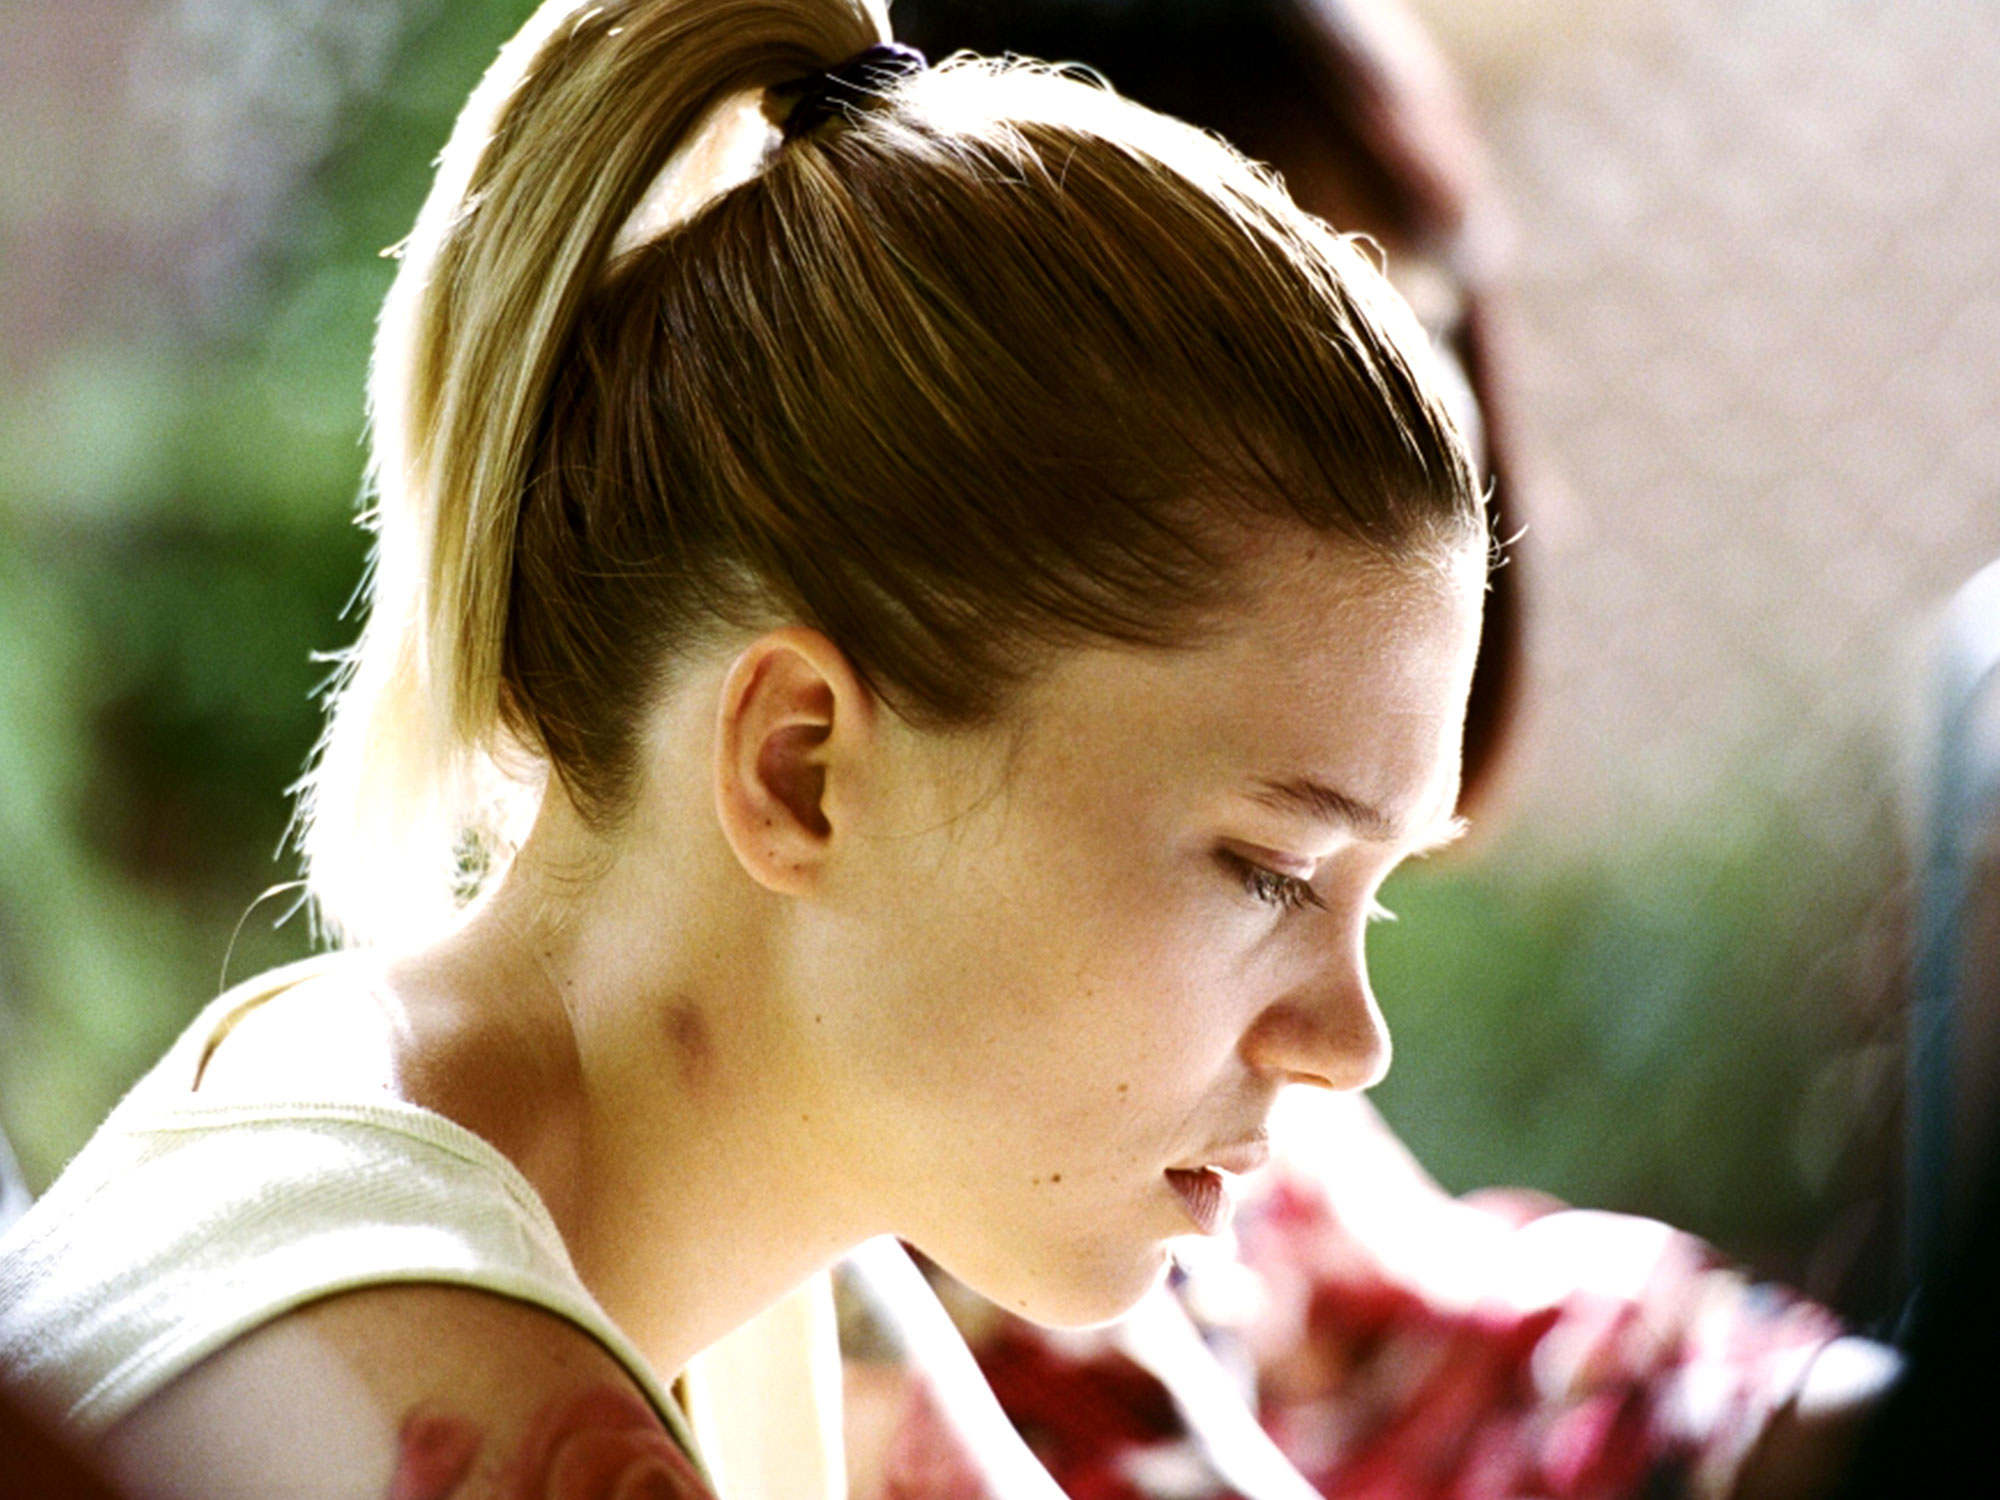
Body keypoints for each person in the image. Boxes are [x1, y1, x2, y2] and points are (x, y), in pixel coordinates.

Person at [0, 0, 1488, 1494]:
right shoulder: (487, 1408)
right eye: (1269, 868)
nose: (1352, 1045)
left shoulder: (403, 1107)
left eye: (1369, 893)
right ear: (800, 768)